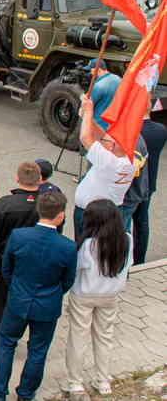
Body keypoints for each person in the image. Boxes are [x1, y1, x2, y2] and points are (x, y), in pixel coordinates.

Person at [0, 191, 77, 401]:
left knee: (6, 344)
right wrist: (53, 293)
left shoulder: (19, 236)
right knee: (38, 350)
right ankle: (25, 393)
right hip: (47, 305)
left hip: (18, 300)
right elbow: (68, 279)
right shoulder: (67, 247)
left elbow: (7, 267)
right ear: (60, 216)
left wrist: (16, 288)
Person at [63, 199, 132, 399]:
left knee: (78, 337)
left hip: (84, 294)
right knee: (104, 337)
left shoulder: (88, 245)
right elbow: (129, 265)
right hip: (111, 295)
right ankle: (103, 380)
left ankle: (75, 382)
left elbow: (76, 270)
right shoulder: (127, 239)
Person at [0, 161, 43, 363]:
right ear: (40, 179)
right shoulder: (49, 204)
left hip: (6, 263)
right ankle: (19, 340)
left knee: (2, 304)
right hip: (37, 264)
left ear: (17, 178)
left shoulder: (4, 204)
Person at [74, 94, 134, 239]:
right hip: (102, 212)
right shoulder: (124, 159)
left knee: (87, 250)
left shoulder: (111, 163)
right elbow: (106, 139)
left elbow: (85, 138)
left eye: (113, 142)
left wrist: (89, 110)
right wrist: (89, 120)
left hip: (93, 216)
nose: (108, 143)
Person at [134, 106, 167, 263]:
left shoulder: (133, 130)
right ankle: (139, 260)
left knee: (124, 222)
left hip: (132, 185)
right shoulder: (161, 130)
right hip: (149, 184)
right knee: (142, 222)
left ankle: (123, 259)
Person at [86, 59, 121, 129]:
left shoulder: (98, 86)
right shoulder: (118, 79)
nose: (90, 73)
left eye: (91, 70)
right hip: (113, 125)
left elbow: (86, 107)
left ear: (98, 70)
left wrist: (83, 98)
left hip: (99, 126)